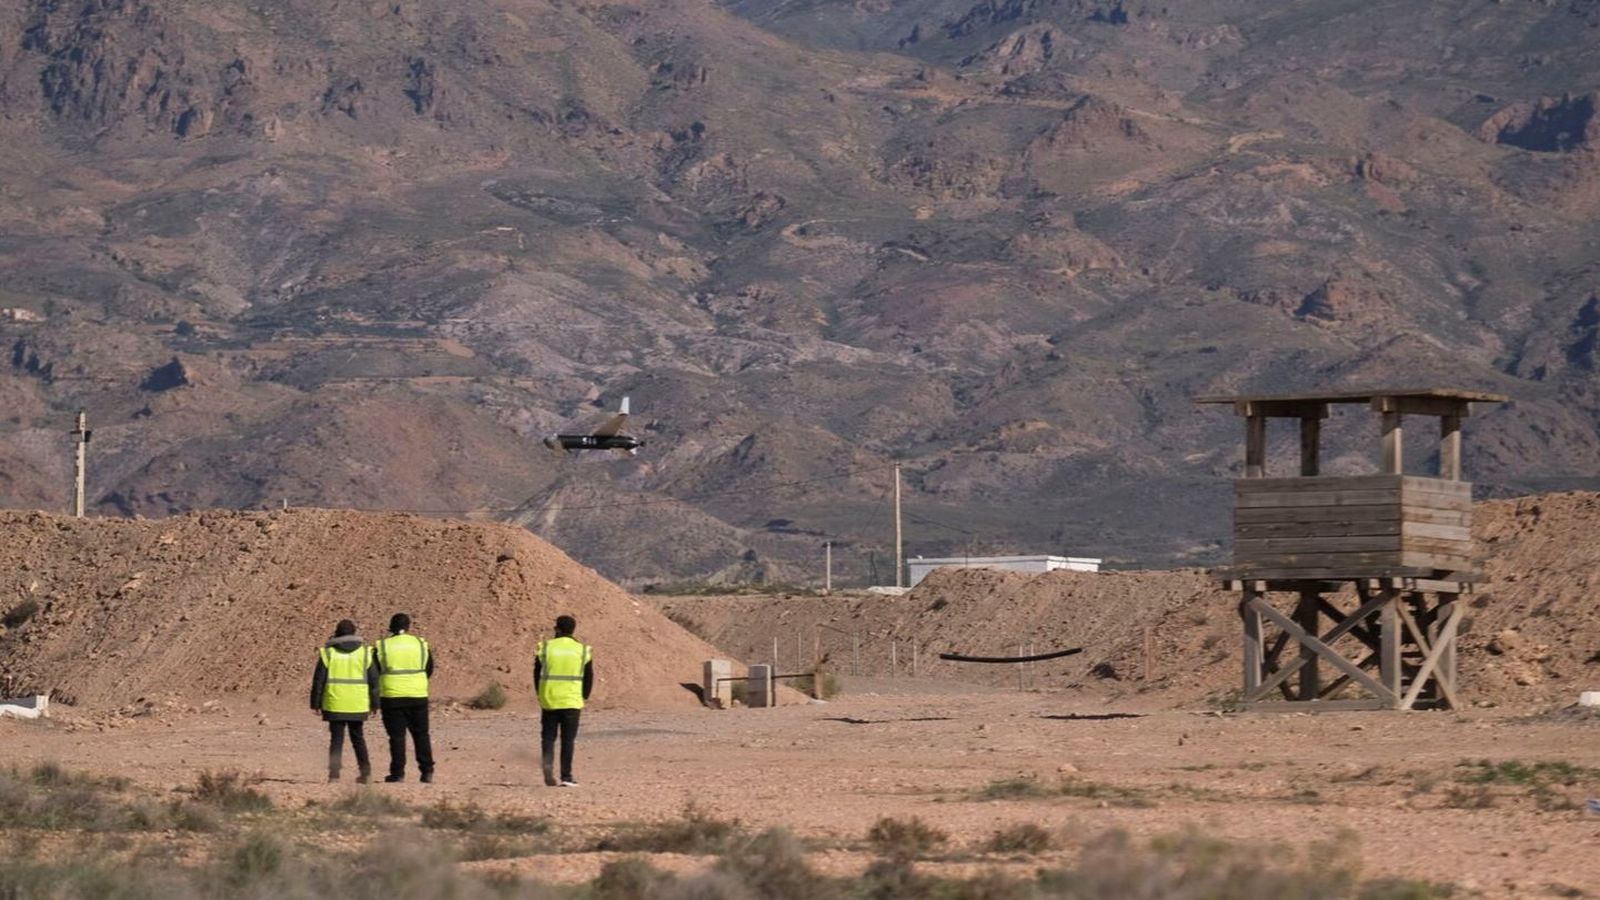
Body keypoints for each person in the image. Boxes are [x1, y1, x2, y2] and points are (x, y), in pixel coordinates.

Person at [310, 619, 378, 783]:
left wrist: (315, 702)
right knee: (358, 739)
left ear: (337, 633)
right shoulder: (365, 653)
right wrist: (375, 703)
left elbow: (319, 680)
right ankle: (366, 773)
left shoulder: (329, 653)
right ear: (354, 633)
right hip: (358, 703)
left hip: (335, 702)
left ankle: (334, 776)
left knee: (336, 740)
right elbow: (374, 680)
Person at [534, 614, 593, 787]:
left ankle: (547, 769)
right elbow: (589, 677)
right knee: (568, 740)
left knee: (548, 737)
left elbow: (536, 674)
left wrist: (540, 693)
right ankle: (566, 777)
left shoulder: (545, 647)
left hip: (549, 698)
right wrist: (585, 695)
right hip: (572, 701)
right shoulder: (582, 650)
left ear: (557, 629)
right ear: (573, 630)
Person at [375, 613, 435, 783]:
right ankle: (427, 771)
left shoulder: (383, 646)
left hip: (392, 696)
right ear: (408, 626)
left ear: (390, 627)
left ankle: (398, 773)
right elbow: (429, 668)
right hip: (417, 694)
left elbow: (375, 670)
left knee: (397, 737)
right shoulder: (420, 644)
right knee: (421, 734)